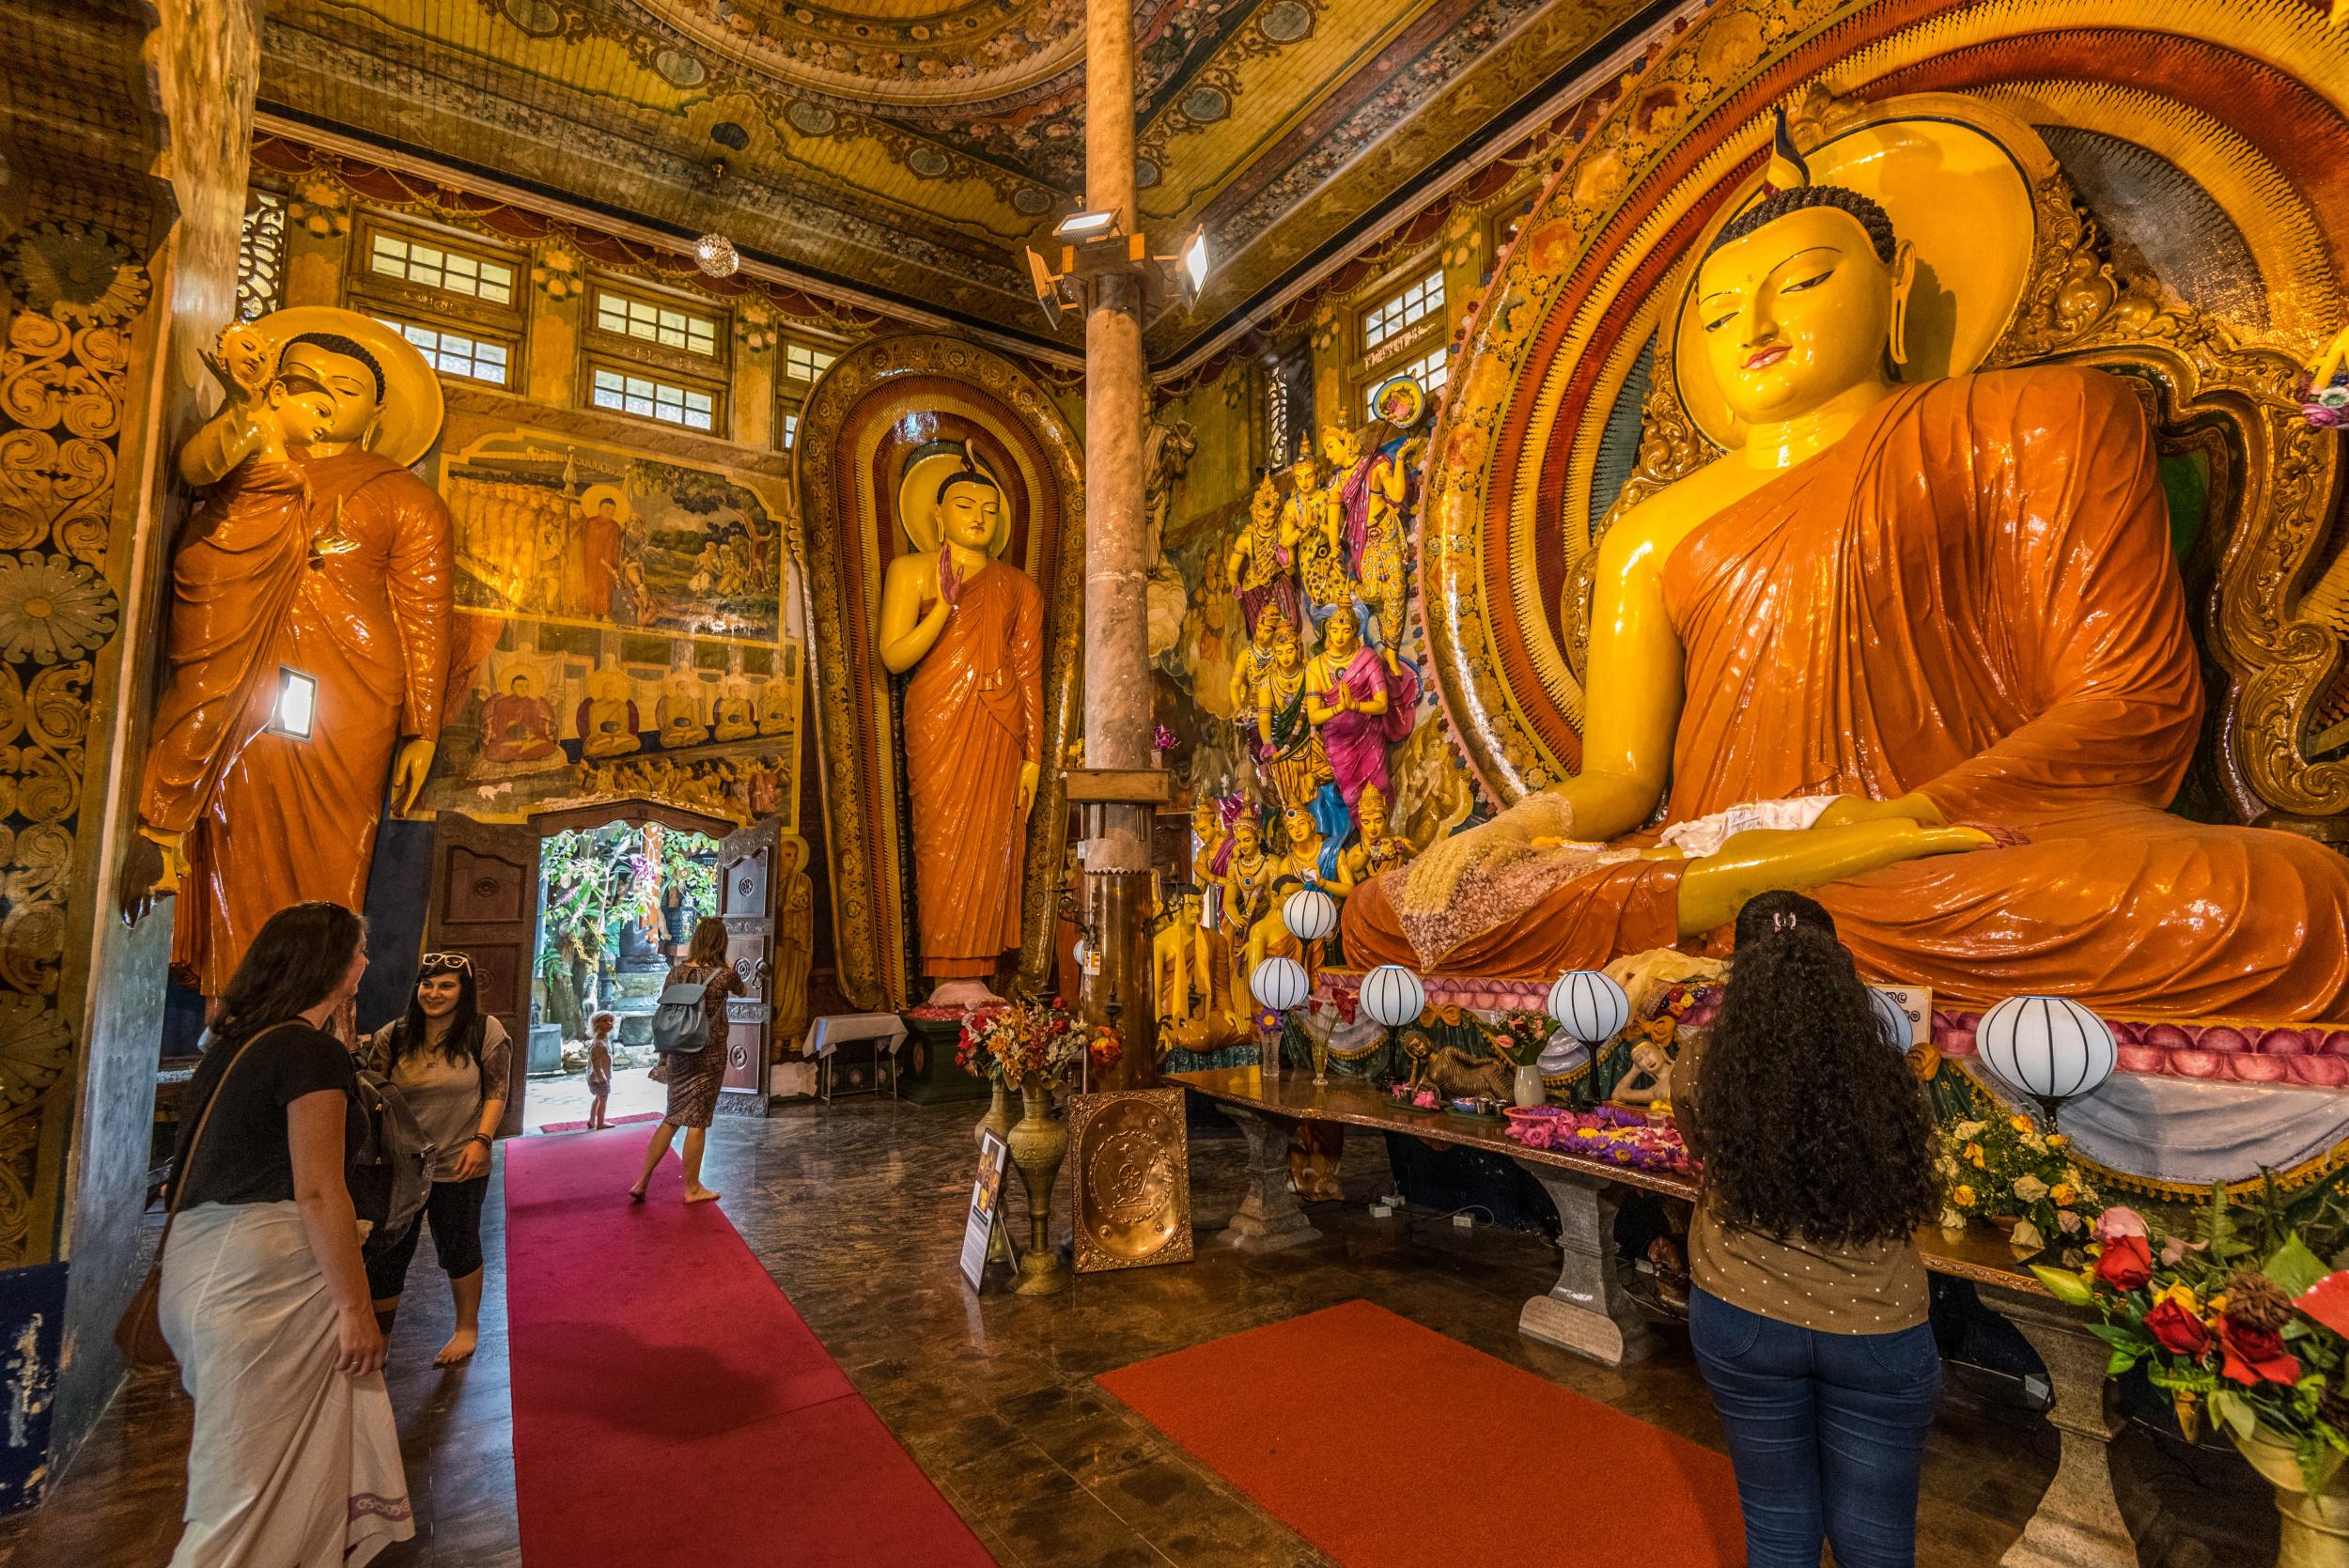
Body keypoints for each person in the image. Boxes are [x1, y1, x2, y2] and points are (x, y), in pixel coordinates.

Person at [1673, 891, 1942, 1568]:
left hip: (1743, 1313)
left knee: (1777, 1530)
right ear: (1842, 975)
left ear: (1739, 974)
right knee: (1876, 1543)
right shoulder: (1889, 1073)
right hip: (1877, 1324)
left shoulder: (1703, 1065)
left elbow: (1701, 1151)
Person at [158, 901, 412, 1566]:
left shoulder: (237, 1042)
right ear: (326, 963)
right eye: (357, 951)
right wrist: (358, 1309)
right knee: (245, 1492)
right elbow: (320, 1188)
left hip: (208, 1264)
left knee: (260, 1471)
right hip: (262, 1280)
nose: (366, 962)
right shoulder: (308, 1050)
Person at [359, 951, 511, 1366]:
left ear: (463, 992)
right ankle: (382, 1340)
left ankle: (467, 1328)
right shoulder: (394, 1035)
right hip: (398, 1167)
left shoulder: (484, 1032)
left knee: (459, 1245)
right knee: (387, 1253)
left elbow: (496, 1091)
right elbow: (372, 1093)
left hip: (459, 1161)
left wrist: (482, 1140)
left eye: (447, 985)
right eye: (428, 984)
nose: (435, 993)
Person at [630, 916, 744, 1204]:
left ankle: (642, 1180)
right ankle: (692, 1188)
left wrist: (663, 1059)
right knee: (698, 1121)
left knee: (672, 1116)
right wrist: (728, 965)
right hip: (710, 1053)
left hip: (679, 1052)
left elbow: (667, 1013)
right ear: (721, 942)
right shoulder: (723, 976)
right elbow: (744, 990)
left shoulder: (677, 972)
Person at [586, 1011, 615, 1130]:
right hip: (599, 1079)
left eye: (611, 1021)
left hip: (595, 1078)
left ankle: (592, 1120)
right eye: (604, 1021)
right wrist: (601, 1078)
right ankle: (601, 1122)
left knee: (598, 1098)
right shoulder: (598, 1044)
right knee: (603, 1099)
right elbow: (596, 1064)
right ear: (596, 1024)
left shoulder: (603, 1039)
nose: (609, 1023)